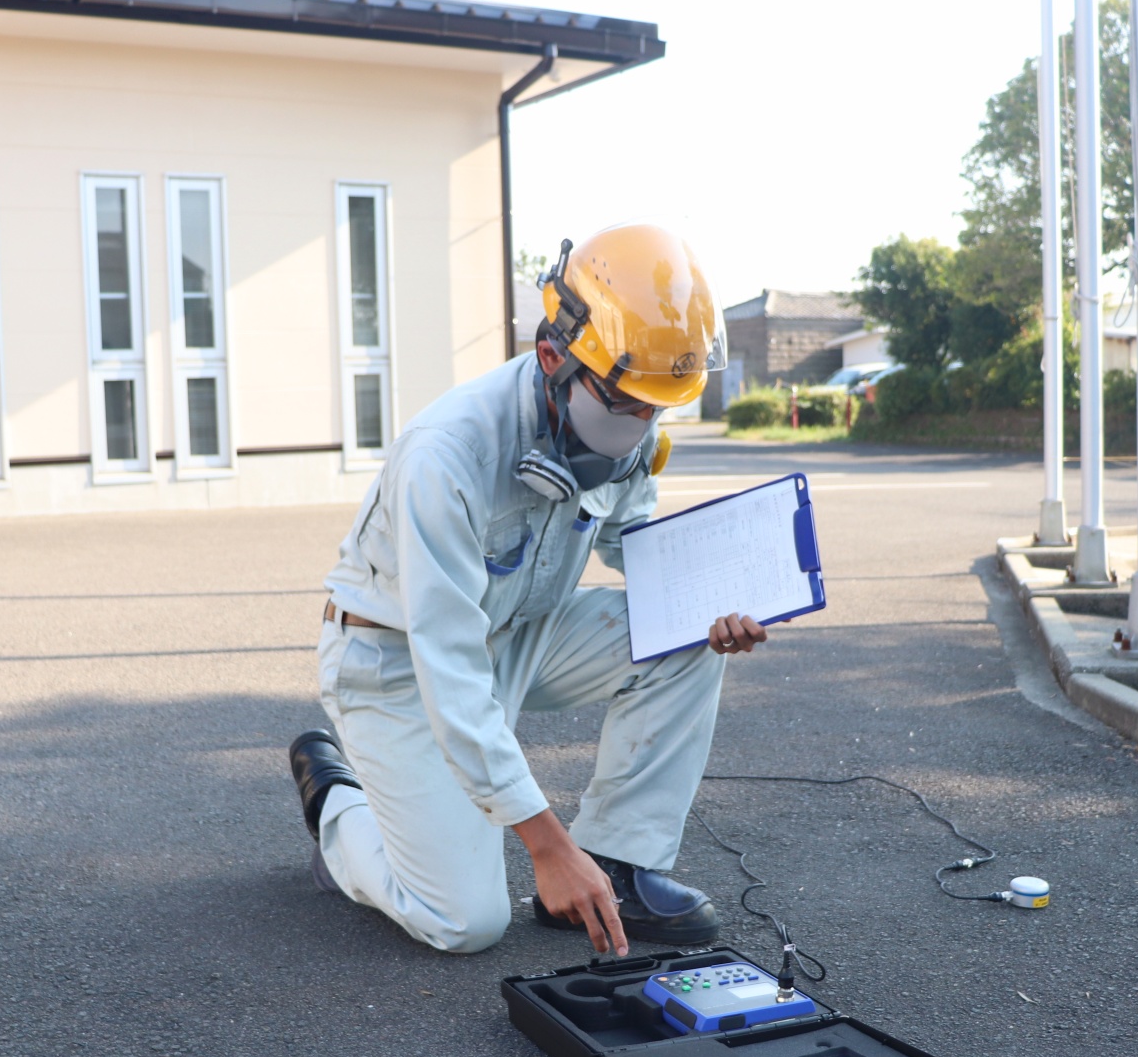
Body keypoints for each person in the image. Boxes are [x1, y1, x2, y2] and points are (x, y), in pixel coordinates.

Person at [287, 224, 774, 957]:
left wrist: (706, 609)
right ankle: (337, 806)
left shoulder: (624, 415)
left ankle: (616, 862)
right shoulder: (447, 456)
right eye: (627, 404)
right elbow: (448, 667)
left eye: (656, 408)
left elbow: (629, 545)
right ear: (553, 357)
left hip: (517, 632)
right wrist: (547, 846)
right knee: (463, 921)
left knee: (680, 644)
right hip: (393, 666)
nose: (641, 425)